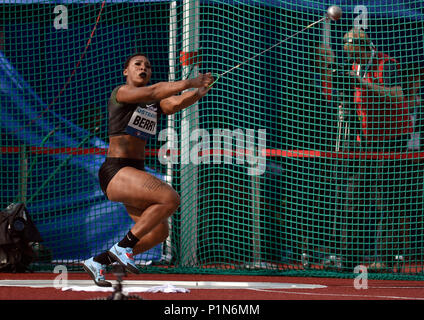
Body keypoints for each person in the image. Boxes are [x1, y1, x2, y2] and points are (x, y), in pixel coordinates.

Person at [82, 53, 214, 286]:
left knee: (158, 233)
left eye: (148, 66)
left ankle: (99, 261)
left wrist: (198, 93)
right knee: (169, 198)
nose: (143, 67)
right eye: (137, 64)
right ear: (126, 72)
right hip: (115, 171)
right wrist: (191, 81)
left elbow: (173, 103)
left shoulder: (152, 103)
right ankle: (124, 247)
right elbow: (154, 91)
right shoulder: (121, 93)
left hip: (134, 173)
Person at [335, 27, 412, 271]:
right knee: (355, 195)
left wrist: (361, 84)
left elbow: (397, 95)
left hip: (392, 138)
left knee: (386, 198)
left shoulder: (385, 63)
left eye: (353, 51)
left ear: (363, 45)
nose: (350, 58)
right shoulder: (354, 67)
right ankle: (349, 258)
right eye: (347, 53)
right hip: (365, 140)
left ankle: (385, 259)